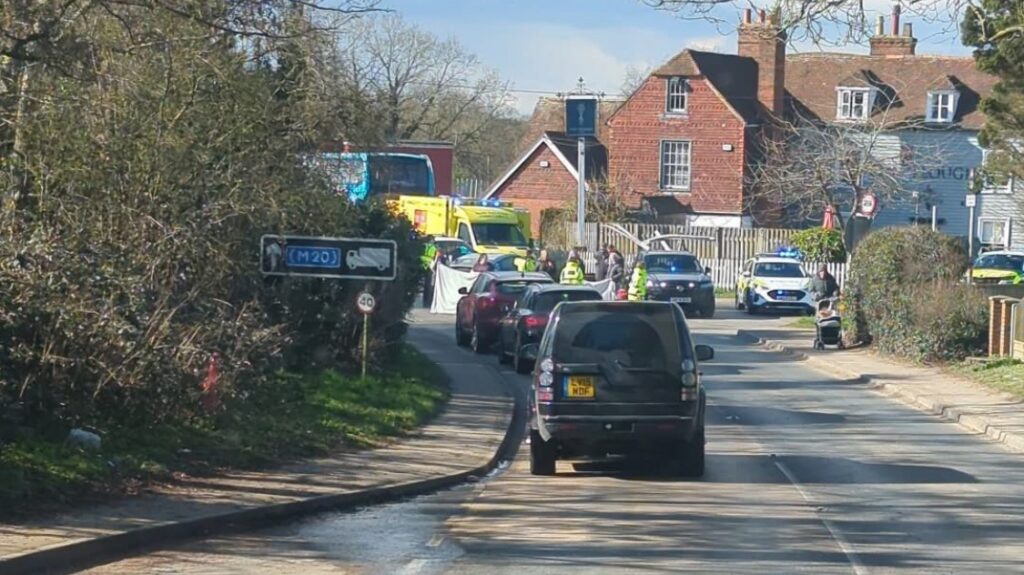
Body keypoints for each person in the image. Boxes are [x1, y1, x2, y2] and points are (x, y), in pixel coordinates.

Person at [421, 236, 437, 307]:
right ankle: (427, 301)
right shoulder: (433, 248)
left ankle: (425, 300)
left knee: (424, 285)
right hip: (429, 265)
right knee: (428, 285)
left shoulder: (424, 246)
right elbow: (434, 257)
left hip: (422, 264)